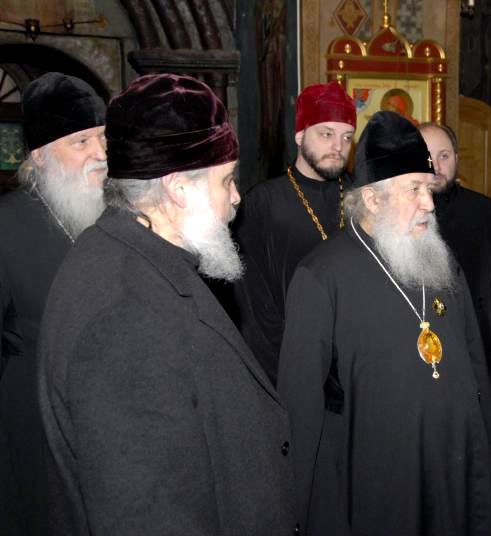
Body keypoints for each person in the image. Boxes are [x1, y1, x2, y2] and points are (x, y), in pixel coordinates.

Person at [37, 73, 295, 535]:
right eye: (227, 180)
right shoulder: (123, 318)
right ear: (178, 188)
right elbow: (150, 514)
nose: (236, 198)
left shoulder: (134, 254)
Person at [278, 111, 491, 536]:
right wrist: (306, 512)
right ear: (372, 199)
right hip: (378, 483)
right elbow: (301, 408)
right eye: (414, 189)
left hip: (455, 470)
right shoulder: (321, 277)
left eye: (428, 188)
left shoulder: (441, 262)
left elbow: (476, 369)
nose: (429, 203)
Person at [0, 72, 106, 534]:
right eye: (81, 142)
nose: (100, 154)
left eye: (103, 138)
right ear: (40, 156)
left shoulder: (117, 216)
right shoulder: (7, 226)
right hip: (36, 432)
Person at [233, 80, 356, 385]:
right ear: (300, 135)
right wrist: (289, 376)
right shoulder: (262, 204)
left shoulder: (364, 197)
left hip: (358, 368)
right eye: (326, 134)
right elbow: (254, 309)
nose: (338, 147)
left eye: (347, 137)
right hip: (292, 367)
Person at [419, 122, 491, 374]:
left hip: (477, 346)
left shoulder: (482, 210)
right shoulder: (403, 214)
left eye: (444, 156)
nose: (436, 167)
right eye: (427, 157)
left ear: (456, 158)